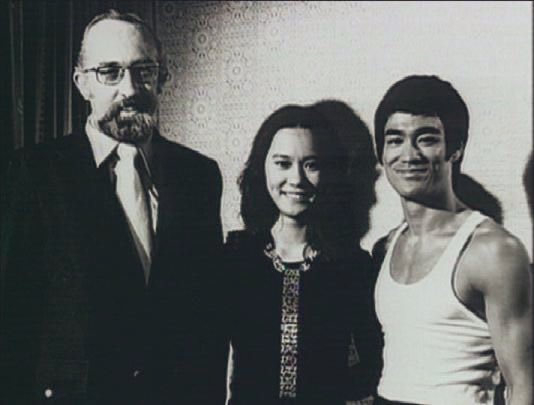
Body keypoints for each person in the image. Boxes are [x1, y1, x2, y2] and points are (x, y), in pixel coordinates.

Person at [0, 10, 227, 405]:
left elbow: (207, 316)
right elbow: (12, 316)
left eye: (144, 71)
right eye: (110, 72)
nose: (130, 88)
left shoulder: (199, 176)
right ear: (82, 83)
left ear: (162, 78)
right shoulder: (34, 173)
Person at [372, 75, 533, 405]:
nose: (408, 154)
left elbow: (523, 384)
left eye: (426, 139)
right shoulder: (386, 246)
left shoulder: (494, 251)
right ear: (382, 152)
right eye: (395, 140)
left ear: (455, 148)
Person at [224, 104, 382, 404]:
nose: (296, 179)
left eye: (311, 164)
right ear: (262, 168)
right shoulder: (235, 257)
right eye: (283, 163)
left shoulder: (354, 266)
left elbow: (372, 366)